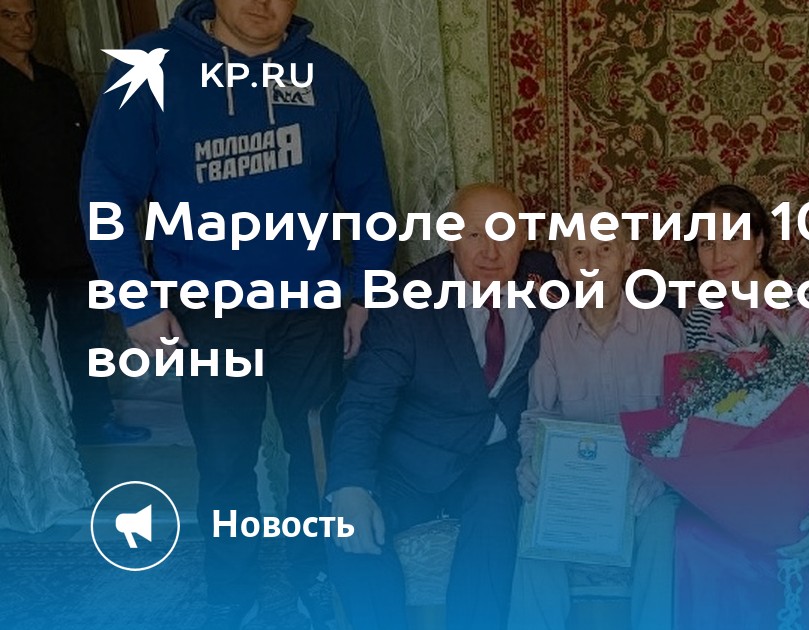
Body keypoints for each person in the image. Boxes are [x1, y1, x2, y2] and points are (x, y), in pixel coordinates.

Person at [79, 0, 396, 627]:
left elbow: (370, 195)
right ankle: (232, 591)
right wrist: (135, 301)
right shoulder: (150, 66)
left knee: (316, 454)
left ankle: (315, 572)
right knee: (225, 460)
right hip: (210, 312)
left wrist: (366, 292)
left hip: (311, 308)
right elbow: (106, 188)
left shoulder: (332, 77)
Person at [326, 183, 561, 630]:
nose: (490, 251)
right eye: (474, 235)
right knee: (346, 532)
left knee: (497, 511)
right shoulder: (406, 301)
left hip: (492, 456)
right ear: (451, 236)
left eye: (504, 234)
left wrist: (675, 316)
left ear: (524, 238)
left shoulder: (545, 277)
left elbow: (615, 294)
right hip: (412, 463)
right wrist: (350, 485)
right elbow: (366, 399)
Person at [674, 183, 809, 629]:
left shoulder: (806, 307)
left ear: (759, 242)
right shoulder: (700, 317)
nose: (718, 254)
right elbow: (693, 414)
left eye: (732, 237)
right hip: (732, 487)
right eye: (705, 242)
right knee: (687, 536)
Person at [508, 205, 684, 630]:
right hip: (578, 485)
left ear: (627, 256)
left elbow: (682, 419)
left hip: (643, 484)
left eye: (605, 250)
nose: (592, 264)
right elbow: (537, 416)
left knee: (663, 522)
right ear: (563, 264)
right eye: (580, 253)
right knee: (533, 517)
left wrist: (658, 474)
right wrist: (530, 461)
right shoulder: (554, 332)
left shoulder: (664, 327)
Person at [0, 0, 149, 444]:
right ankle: (32, 443)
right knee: (18, 345)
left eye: (30, 15)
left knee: (85, 337)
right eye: (9, 16)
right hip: (18, 244)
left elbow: (89, 162)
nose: (24, 26)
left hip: (72, 234)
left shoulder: (58, 83)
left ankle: (94, 421)